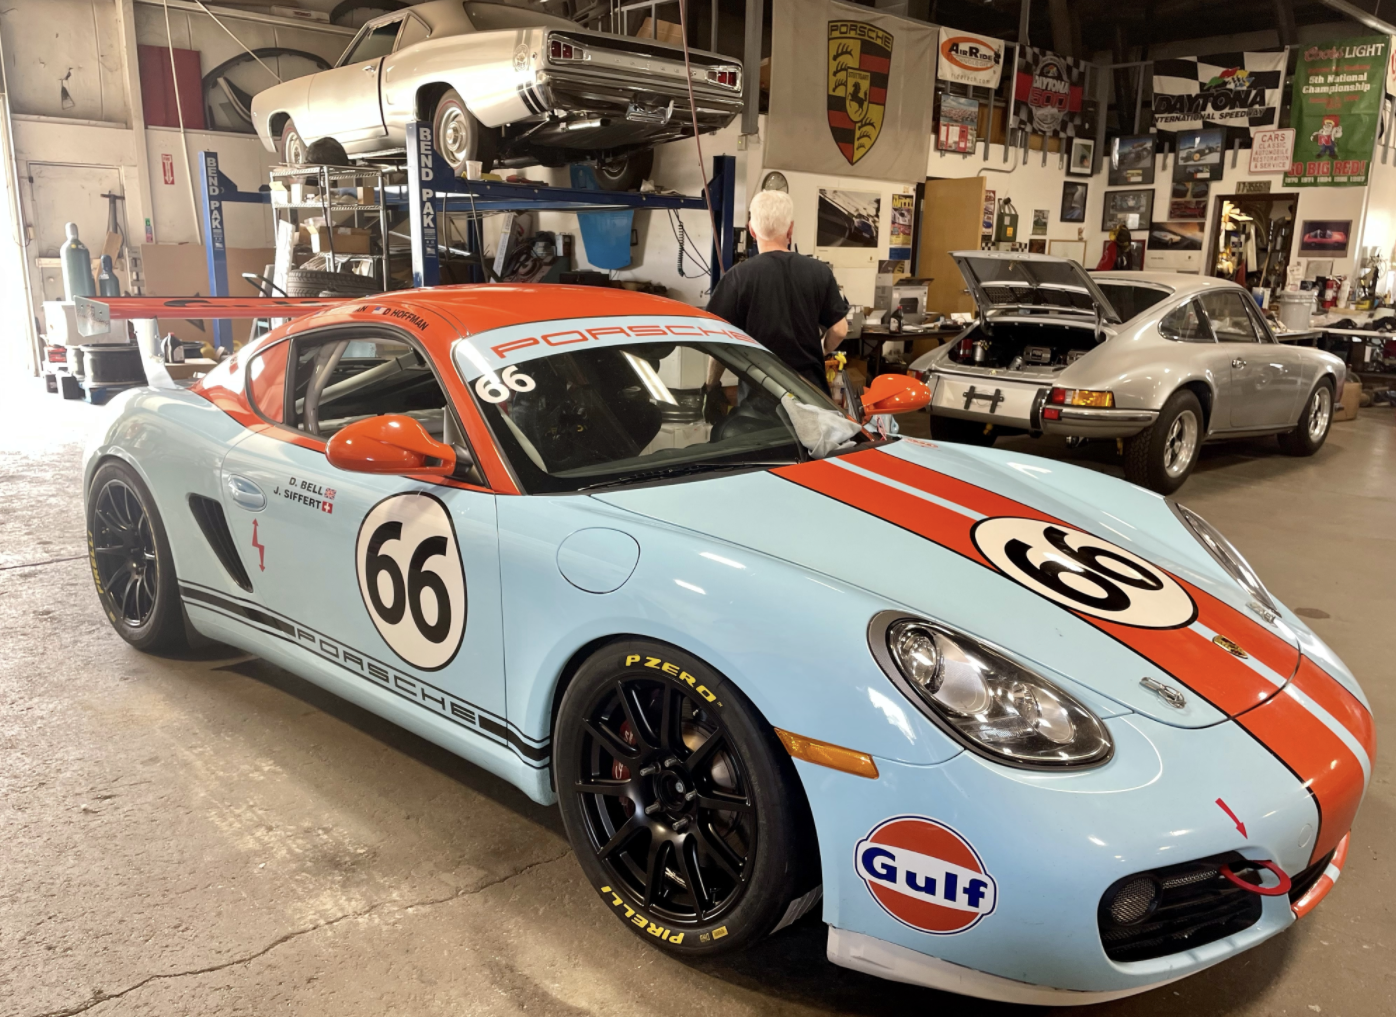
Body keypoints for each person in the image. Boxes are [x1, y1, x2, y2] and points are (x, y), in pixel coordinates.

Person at [703, 190, 849, 398]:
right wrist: (821, 350)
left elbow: (719, 340)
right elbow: (840, 330)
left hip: (759, 398)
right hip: (810, 394)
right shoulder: (820, 272)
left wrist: (711, 386)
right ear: (790, 229)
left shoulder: (738, 277)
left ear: (752, 230)